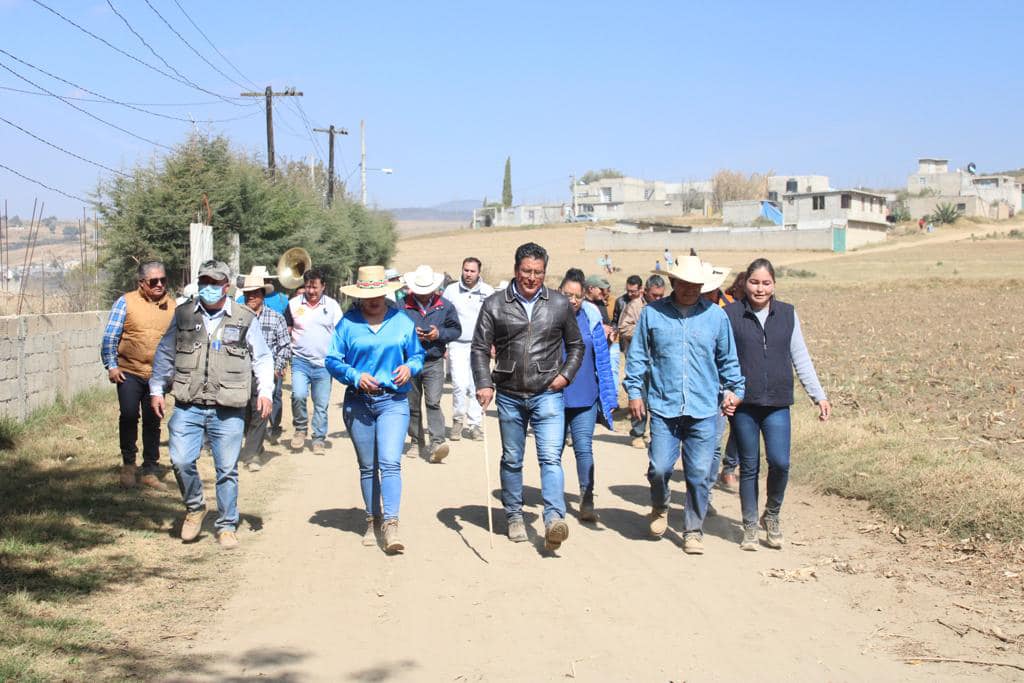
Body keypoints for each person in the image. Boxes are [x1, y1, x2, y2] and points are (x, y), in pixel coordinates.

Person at [623, 255, 744, 555]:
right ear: (673, 283)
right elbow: (637, 355)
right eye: (684, 284)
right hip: (665, 406)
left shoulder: (716, 318)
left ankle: (693, 530)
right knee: (660, 468)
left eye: (696, 285)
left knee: (700, 473)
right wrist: (635, 392)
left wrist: (734, 390)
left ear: (703, 286)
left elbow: (728, 361)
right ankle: (659, 504)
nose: (690, 289)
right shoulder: (652, 315)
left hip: (704, 407)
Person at [149, 260, 274, 549]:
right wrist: (157, 388)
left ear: (226, 287)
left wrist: (265, 392)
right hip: (188, 404)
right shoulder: (184, 315)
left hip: (227, 407)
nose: (208, 287)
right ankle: (195, 507)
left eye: (215, 283)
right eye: (204, 282)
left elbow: (262, 357)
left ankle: (227, 524)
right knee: (180, 460)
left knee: (226, 468)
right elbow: (165, 353)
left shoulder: (243, 318)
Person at [472, 242, 584, 551]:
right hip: (508, 393)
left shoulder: (560, 304)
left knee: (550, 457)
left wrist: (566, 375)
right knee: (512, 458)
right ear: (516, 270)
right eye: (526, 271)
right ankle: (514, 516)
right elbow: (480, 348)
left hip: (547, 391)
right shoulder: (495, 304)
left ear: (545, 272)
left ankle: (553, 520)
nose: (531, 278)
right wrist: (484, 383)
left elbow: (576, 345)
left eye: (537, 272)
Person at [724, 258, 831, 551]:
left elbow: (801, 357)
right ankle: (748, 525)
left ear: (774, 285)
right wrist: (726, 392)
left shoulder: (787, 314)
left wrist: (818, 395)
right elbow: (721, 359)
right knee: (749, 466)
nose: (760, 288)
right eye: (754, 282)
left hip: (777, 402)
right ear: (745, 283)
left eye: (766, 283)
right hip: (744, 404)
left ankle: (771, 515)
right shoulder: (730, 315)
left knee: (781, 463)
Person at [325, 265, 425, 553]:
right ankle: (372, 519)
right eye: (368, 295)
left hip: (393, 400)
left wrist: (410, 366)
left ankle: (391, 524)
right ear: (359, 296)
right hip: (359, 402)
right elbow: (332, 360)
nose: (374, 300)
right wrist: (355, 376)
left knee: (391, 461)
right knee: (368, 466)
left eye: (379, 294)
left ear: (386, 293)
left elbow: (417, 354)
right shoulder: (347, 324)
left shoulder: (402, 322)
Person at [101, 260, 177, 490]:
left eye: (163, 280)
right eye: (154, 281)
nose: (159, 285)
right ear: (141, 283)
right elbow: (110, 337)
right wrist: (112, 366)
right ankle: (129, 464)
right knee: (129, 415)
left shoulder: (173, 307)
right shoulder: (125, 302)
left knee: (153, 420)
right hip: (129, 372)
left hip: (157, 375)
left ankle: (150, 468)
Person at [558, 274, 617, 523]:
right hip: (555, 395)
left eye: (577, 296)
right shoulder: (548, 316)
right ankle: (553, 499)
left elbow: (603, 359)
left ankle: (586, 498)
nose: (572, 300)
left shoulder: (592, 317)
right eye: (567, 294)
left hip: (585, 395)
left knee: (583, 448)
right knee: (552, 451)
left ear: (584, 296)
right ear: (558, 291)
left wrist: (609, 395)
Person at [401, 264, 461, 462]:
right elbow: (393, 331)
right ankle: (416, 441)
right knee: (412, 404)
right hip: (409, 361)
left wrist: (439, 334)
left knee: (433, 402)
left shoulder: (445, 306)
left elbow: (456, 330)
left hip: (434, 361)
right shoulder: (401, 306)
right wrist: (410, 336)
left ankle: (437, 442)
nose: (424, 294)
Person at [284, 268, 343, 454]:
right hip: (300, 360)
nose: (311, 291)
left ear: (323, 287)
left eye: (315, 287)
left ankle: (318, 439)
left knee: (321, 403)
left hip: (324, 363)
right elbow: (287, 330)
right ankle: (300, 429)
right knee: (299, 395)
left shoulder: (332, 306)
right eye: (308, 286)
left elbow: (340, 333)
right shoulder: (293, 304)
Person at [237, 269, 291, 472]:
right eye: (248, 293)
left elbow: (285, 346)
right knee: (244, 415)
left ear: (262, 294)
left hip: (265, 373)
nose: (252, 297)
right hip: (239, 375)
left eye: (256, 293)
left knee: (261, 412)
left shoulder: (276, 318)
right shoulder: (236, 316)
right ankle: (253, 446)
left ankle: (252, 455)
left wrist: (277, 369)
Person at [442, 257, 494, 442]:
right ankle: (457, 419)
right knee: (459, 384)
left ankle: (475, 424)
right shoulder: (451, 291)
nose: (468, 274)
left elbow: (494, 320)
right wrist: (444, 344)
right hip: (457, 343)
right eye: (466, 270)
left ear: (479, 272)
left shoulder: (488, 292)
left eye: (472, 271)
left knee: (476, 385)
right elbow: (443, 317)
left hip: (480, 345)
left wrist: (493, 343)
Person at [617, 274, 666, 448]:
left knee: (658, 399)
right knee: (640, 397)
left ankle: (656, 434)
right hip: (640, 360)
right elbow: (623, 328)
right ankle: (637, 433)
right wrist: (643, 333)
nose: (658, 298)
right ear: (646, 292)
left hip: (660, 362)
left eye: (661, 295)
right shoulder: (635, 306)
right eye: (655, 295)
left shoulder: (665, 307)